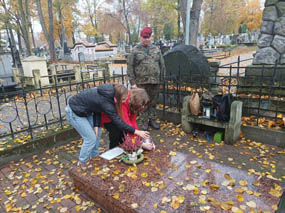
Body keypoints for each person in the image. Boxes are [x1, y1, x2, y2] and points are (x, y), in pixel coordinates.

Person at [65, 84, 149, 165]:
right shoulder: (107, 103)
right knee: (90, 139)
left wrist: (96, 125)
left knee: (97, 136)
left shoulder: (111, 95)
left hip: (87, 111)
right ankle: (81, 164)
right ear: (116, 98)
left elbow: (96, 108)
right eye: (123, 100)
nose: (124, 102)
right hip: (74, 111)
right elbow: (118, 121)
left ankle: (94, 160)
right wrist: (136, 133)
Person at [127, 26, 166, 131]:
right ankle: (144, 121)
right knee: (142, 103)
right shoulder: (135, 51)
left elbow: (162, 65)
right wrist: (133, 83)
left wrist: (162, 80)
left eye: (148, 37)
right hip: (141, 82)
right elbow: (130, 67)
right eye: (144, 37)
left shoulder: (156, 50)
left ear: (151, 38)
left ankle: (152, 120)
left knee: (153, 102)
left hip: (155, 81)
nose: (146, 39)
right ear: (141, 37)